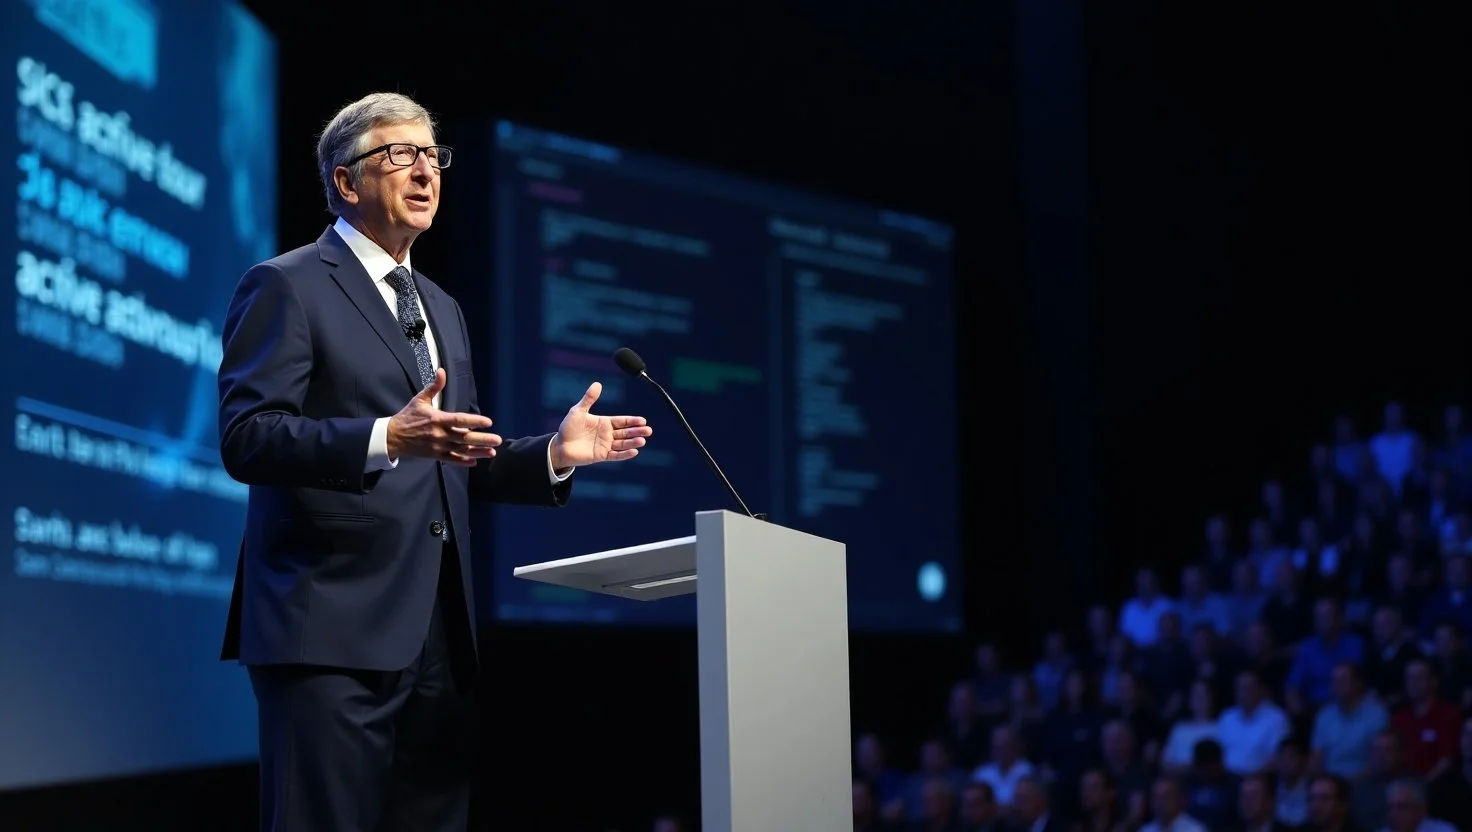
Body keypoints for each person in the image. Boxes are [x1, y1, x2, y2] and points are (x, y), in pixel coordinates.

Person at [216, 92, 653, 831]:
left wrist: (551, 454)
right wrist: (388, 435)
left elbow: (456, 459)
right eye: (398, 154)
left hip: (438, 643)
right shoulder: (286, 284)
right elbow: (248, 436)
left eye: (432, 156)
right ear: (346, 182)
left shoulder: (441, 307)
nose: (424, 172)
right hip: (329, 636)